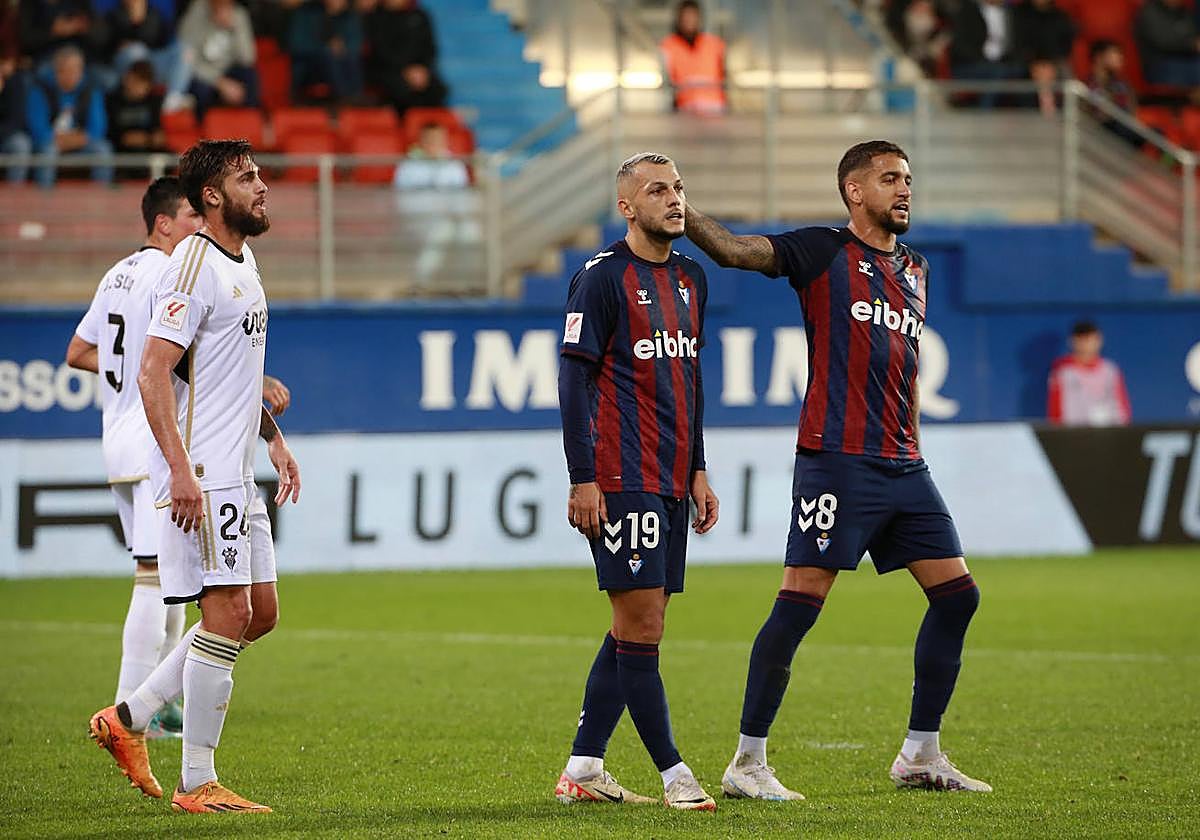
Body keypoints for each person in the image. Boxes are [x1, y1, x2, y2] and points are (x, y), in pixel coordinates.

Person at [684, 140, 991, 798]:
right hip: (838, 462)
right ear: (855, 191)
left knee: (959, 596)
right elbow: (738, 251)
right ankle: (746, 762)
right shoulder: (822, 251)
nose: (904, 189)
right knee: (799, 605)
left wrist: (912, 440)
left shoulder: (916, 269)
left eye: (908, 177)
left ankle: (920, 753)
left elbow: (904, 370)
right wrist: (686, 212)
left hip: (905, 464)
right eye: (889, 178)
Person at [88, 139, 301, 814]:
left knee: (258, 616)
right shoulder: (191, 265)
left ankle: (130, 715)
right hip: (203, 473)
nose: (262, 186)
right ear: (212, 196)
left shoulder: (245, 258)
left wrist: (273, 438)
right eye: (248, 178)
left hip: (237, 468)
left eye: (260, 174)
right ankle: (196, 782)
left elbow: (216, 374)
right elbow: (154, 370)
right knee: (227, 613)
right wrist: (180, 470)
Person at [554, 152, 720, 812]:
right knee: (643, 623)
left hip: (673, 476)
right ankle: (675, 773)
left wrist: (699, 466)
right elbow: (573, 381)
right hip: (621, 476)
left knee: (637, 623)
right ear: (627, 206)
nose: (674, 199)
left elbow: (690, 379)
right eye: (657, 190)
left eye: (678, 187)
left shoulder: (691, 279)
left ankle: (584, 766)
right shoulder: (600, 279)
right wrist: (582, 478)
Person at [66, 177, 202, 741]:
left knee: (166, 572)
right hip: (150, 441)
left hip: (116, 438)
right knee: (153, 577)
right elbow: (172, 356)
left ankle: (160, 708)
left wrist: (120, 378)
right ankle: (125, 715)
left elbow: (78, 353)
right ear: (164, 223)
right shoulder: (165, 275)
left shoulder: (116, 273)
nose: (199, 225)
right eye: (192, 216)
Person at [25, 45, 113, 188]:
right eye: (65, 70)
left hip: (81, 143)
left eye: (76, 70)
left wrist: (76, 139)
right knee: (48, 152)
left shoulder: (91, 90)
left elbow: (97, 129)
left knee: (103, 150)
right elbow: (38, 129)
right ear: (56, 71)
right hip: (51, 143)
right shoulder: (41, 89)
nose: (71, 75)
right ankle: (43, 200)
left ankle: (100, 199)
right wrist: (59, 140)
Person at [364, 0, 447, 117]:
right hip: (386, 70)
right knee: (402, 90)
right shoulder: (375, 17)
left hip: (418, 71)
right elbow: (380, 51)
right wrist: (405, 70)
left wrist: (423, 68)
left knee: (437, 90)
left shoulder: (420, 16)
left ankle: (428, 126)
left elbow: (429, 48)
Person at [178, 0, 260, 114]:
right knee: (201, 90)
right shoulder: (196, 14)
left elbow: (248, 58)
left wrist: (233, 28)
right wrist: (220, 82)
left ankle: (250, 124)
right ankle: (205, 126)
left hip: (228, 70)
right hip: (202, 74)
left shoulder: (239, 15)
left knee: (249, 75)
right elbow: (186, 59)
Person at [1047, 320, 1131, 427]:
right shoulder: (1062, 371)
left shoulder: (1110, 371)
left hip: (1107, 433)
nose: (1085, 345)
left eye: (1089, 339)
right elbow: (1055, 411)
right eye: (1081, 340)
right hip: (1072, 434)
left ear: (1099, 340)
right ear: (1072, 341)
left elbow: (1122, 408)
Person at [287, 0, 364, 103]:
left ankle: (355, 97)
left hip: (342, 63)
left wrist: (342, 48)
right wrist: (325, 47)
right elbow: (297, 45)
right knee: (329, 55)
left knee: (350, 57)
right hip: (310, 66)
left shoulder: (349, 16)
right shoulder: (306, 13)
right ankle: (347, 98)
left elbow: (355, 44)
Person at [946, 0, 1020, 108]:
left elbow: (1017, 42)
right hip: (971, 64)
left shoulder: (1011, 13)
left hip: (1005, 63)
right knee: (997, 72)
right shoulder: (967, 11)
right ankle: (984, 113)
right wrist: (980, 60)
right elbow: (959, 46)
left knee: (1020, 71)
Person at [660, 0, 727, 115]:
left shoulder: (715, 44)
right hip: (685, 109)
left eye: (692, 16)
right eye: (685, 16)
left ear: (699, 18)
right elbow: (666, 80)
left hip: (715, 108)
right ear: (679, 19)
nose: (689, 21)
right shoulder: (668, 45)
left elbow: (725, 75)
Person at [1012, 0, 1075, 116]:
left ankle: (1072, 115)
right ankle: (1047, 111)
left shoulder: (1059, 15)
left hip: (1054, 60)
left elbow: (1066, 44)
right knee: (1041, 72)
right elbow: (1017, 41)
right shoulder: (1019, 13)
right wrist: (1033, 60)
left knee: (1068, 77)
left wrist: (1051, 61)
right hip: (1026, 60)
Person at [1086, 40, 1141, 148]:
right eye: (1115, 53)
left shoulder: (1124, 86)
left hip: (1124, 127)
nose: (1120, 58)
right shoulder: (1085, 86)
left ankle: (1166, 164)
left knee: (1157, 133)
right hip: (1100, 130)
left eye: (1120, 54)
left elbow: (1132, 111)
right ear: (1099, 57)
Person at [1135, 0, 1200, 88]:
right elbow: (1163, 41)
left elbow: (1193, 33)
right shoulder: (1149, 12)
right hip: (1161, 65)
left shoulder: (1183, 11)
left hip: (1188, 60)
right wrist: (1191, 44)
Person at [106, 60, 165, 157]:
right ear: (126, 78)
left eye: (142, 83)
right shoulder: (111, 100)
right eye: (135, 80)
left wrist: (145, 139)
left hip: (149, 152)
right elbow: (115, 135)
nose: (137, 86)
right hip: (119, 152)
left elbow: (158, 136)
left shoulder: (154, 101)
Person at [0, 48, 31, 183]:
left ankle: (14, 194)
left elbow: (16, 120)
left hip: (6, 136)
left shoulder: (16, 82)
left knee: (21, 144)